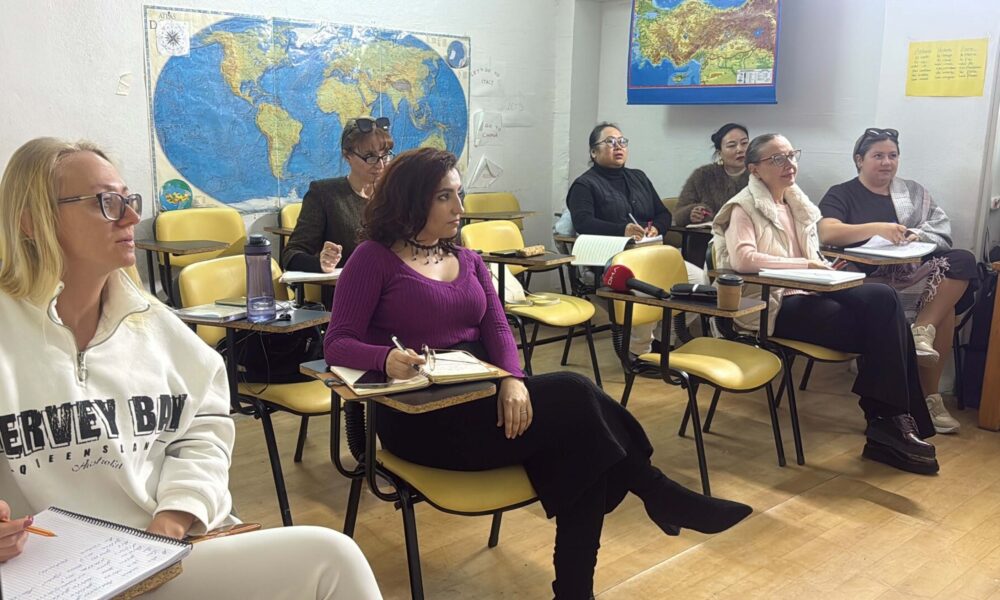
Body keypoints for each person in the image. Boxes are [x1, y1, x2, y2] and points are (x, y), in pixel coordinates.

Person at [324, 147, 753, 599]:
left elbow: (497, 328)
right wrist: (384, 358)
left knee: (582, 445)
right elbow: (337, 343)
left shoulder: (467, 259)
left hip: (486, 402)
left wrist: (513, 379)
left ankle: (577, 589)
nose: (459, 207)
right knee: (574, 393)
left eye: (459, 193)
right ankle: (657, 492)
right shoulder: (372, 259)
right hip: (420, 418)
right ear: (412, 200)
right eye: (444, 197)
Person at [0, 137, 382, 599]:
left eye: (128, 200)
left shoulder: (156, 326)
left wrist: (174, 518)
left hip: (162, 549)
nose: (130, 217)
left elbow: (205, 428)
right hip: (48, 572)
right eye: (105, 202)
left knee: (331, 557)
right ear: (31, 220)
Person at [712, 133, 939, 475]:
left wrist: (822, 268)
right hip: (772, 304)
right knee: (883, 329)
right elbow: (743, 260)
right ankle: (890, 422)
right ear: (755, 169)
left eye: (792, 155)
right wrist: (805, 265)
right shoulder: (743, 207)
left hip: (810, 289)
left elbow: (812, 257)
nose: (789, 164)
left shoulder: (796, 204)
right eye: (777, 159)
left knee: (884, 297)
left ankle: (889, 421)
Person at [818, 127, 977, 434]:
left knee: (963, 260)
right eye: (878, 156)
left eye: (892, 155)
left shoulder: (912, 191)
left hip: (910, 273)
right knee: (945, 310)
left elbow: (940, 230)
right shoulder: (842, 193)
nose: (886, 162)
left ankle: (921, 331)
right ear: (859, 160)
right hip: (865, 279)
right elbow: (827, 232)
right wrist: (877, 228)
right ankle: (929, 399)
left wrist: (915, 235)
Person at [566, 122, 706, 368]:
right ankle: (638, 353)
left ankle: (664, 339)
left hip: (651, 253)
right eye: (610, 142)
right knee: (647, 286)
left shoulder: (638, 177)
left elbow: (663, 214)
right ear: (593, 152)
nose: (618, 146)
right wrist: (622, 230)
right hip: (613, 260)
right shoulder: (584, 185)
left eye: (622, 142)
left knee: (699, 283)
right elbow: (583, 222)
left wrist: (656, 228)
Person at [282, 116, 394, 308]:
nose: (380, 165)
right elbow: (291, 255)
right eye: (370, 156)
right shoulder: (325, 194)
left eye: (385, 155)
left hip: (393, 292)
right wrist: (320, 263)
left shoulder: (393, 195)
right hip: (350, 299)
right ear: (347, 155)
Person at [674, 123, 752, 263]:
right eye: (732, 145)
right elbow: (678, 215)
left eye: (744, 143)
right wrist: (691, 213)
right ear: (719, 152)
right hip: (706, 247)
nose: (740, 149)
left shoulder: (760, 173)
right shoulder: (703, 175)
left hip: (749, 243)